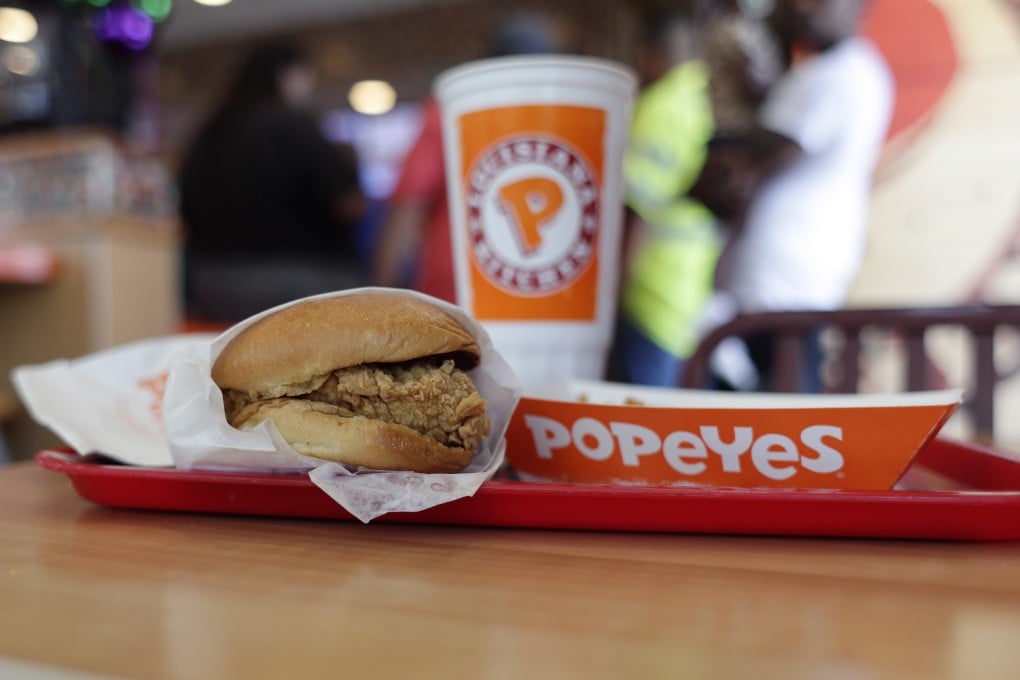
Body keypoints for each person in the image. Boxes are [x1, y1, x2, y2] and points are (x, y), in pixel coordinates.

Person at [707, 0, 895, 391]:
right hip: (776, 272)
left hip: (786, 273)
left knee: (785, 413)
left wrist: (733, 109)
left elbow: (758, 152)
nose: (806, 9)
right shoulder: (823, 70)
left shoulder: (840, 74)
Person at [371, 11, 566, 303]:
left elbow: (409, 207)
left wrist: (379, 296)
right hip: (541, 301)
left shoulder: (450, 110)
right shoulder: (565, 118)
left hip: (455, 300)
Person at [177, 42, 366, 323]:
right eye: (306, 76)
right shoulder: (293, 125)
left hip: (216, 286)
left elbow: (183, 210)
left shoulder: (208, 134)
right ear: (286, 74)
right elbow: (349, 203)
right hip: (304, 282)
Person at [606, 11, 721, 387]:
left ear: (649, 53)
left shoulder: (662, 106)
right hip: (685, 285)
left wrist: (611, 290)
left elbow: (635, 207)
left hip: (651, 290)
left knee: (643, 419)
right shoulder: (698, 98)